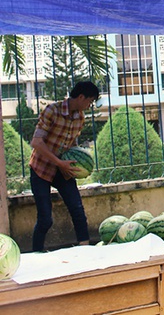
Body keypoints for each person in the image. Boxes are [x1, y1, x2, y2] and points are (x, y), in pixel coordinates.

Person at [29, 81, 100, 252]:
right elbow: (36, 142)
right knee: (45, 219)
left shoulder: (80, 118)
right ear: (81, 97)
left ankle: (85, 251)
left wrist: (75, 162)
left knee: (77, 210)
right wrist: (59, 161)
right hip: (41, 169)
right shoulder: (52, 111)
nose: (90, 105)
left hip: (62, 170)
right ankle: (36, 254)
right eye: (89, 101)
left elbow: (71, 142)